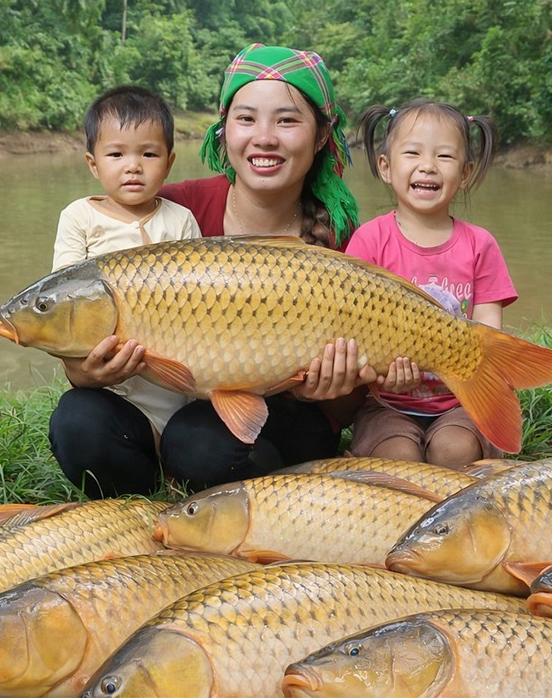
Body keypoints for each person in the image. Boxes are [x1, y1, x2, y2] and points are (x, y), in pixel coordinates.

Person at [49, 44, 373, 498]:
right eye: (245, 119)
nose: (264, 137)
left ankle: (244, 484)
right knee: (78, 420)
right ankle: (141, 497)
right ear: (223, 133)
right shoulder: (172, 207)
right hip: (188, 402)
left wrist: (326, 390)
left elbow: (352, 402)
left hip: (282, 417)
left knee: (198, 441)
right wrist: (81, 371)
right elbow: (89, 297)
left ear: (321, 136)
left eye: (287, 120)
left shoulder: (344, 235)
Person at [46, 85, 202, 497]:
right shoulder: (79, 216)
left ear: (168, 163)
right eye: (117, 155)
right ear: (93, 163)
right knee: (79, 422)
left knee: (197, 438)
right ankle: (129, 490)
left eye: (148, 155)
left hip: (179, 389)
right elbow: (63, 300)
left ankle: (175, 464)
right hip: (114, 393)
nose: (132, 167)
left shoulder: (181, 220)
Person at [344, 98, 515, 469]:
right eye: (413, 153)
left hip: (460, 401)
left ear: (466, 172)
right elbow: (352, 336)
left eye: (444, 157)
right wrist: (381, 373)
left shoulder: (480, 244)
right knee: (399, 459)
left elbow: (488, 336)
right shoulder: (368, 241)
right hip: (386, 403)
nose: (428, 166)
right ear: (385, 167)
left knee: (452, 451)